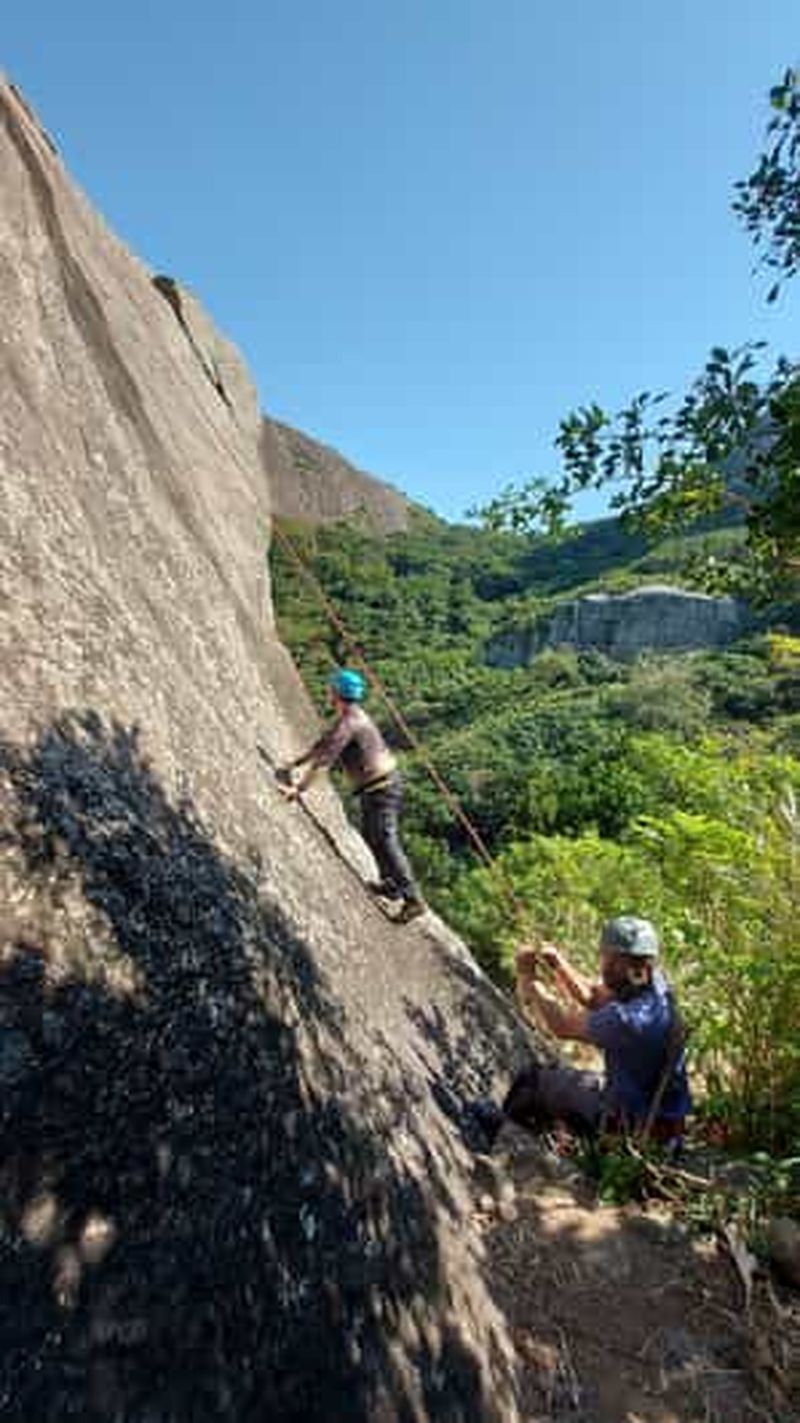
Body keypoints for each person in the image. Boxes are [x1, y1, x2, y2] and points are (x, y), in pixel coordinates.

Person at [468, 915, 690, 1151]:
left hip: (631, 1127)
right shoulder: (653, 985)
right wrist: (558, 965)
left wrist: (528, 979)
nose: (602, 963)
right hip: (662, 1121)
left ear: (617, 963)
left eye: (605, 957)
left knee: (535, 1080)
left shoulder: (625, 1020)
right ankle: (549, 1136)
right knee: (578, 1081)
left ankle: (501, 1135)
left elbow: (561, 1026)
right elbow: (593, 996)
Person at [277, 667, 426, 924]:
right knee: (372, 835)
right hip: (378, 786)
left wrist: (298, 789)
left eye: (330, 688)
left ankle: (413, 900)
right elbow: (323, 745)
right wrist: (294, 763)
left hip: (383, 788)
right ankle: (391, 885)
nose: (328, 691)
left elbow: (323, 762)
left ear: (336, 692)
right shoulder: (351, 716)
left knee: (386, 839)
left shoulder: (350, 722)